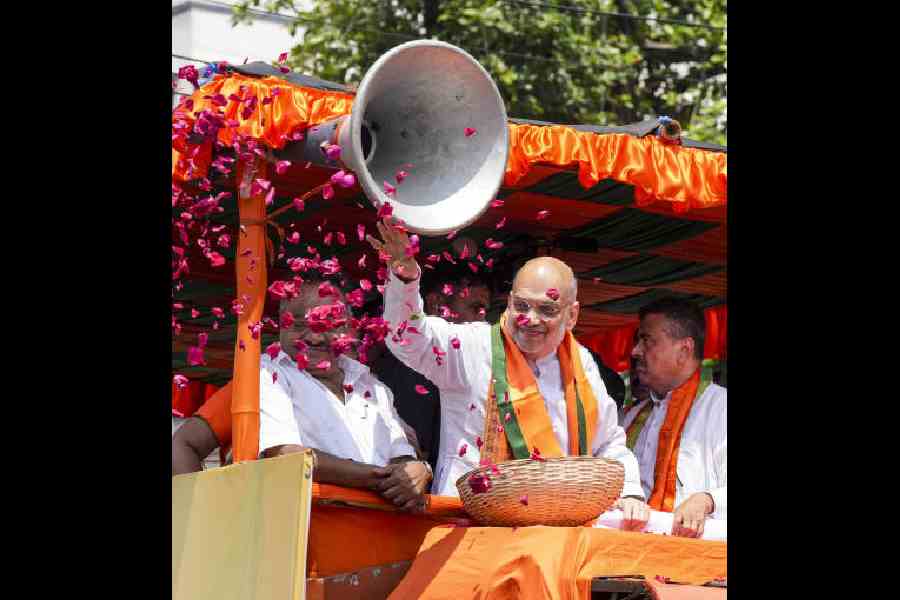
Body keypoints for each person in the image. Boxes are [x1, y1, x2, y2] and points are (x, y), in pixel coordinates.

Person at [367, 219, 649, 529]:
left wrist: (630, 493)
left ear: (572, 315)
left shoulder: (581, 362)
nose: (530, 319)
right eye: (522, 305)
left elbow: (607, 442)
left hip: (557, 531)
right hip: (471, 528)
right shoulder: (474, 346)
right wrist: (404, 278)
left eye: (547, 309)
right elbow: (407, 336)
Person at [172, 278, 433, 513]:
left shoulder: (373, 387)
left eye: (328, 323)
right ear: (280, 326)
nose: (315, 338)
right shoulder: (264, 376)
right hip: (297, 535)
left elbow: (404, 460)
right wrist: (201, 519)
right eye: (297, 324)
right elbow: (287, 456)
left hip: (382, 536)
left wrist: (421, 470)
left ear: (350, 329)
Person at [370, 260, 494, 477]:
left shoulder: (473, 355)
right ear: (437, 304)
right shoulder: (410, 364)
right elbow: (419, 447)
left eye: (485, 311)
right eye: (475, 308)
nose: (482, 320)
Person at [629, 297, 726, 538]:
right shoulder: (631, 417)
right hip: (627, 553)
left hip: (695, 557)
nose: (635, 351)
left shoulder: (720, 408)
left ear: (684, 350)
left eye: (647, 340)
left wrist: (707, 500)